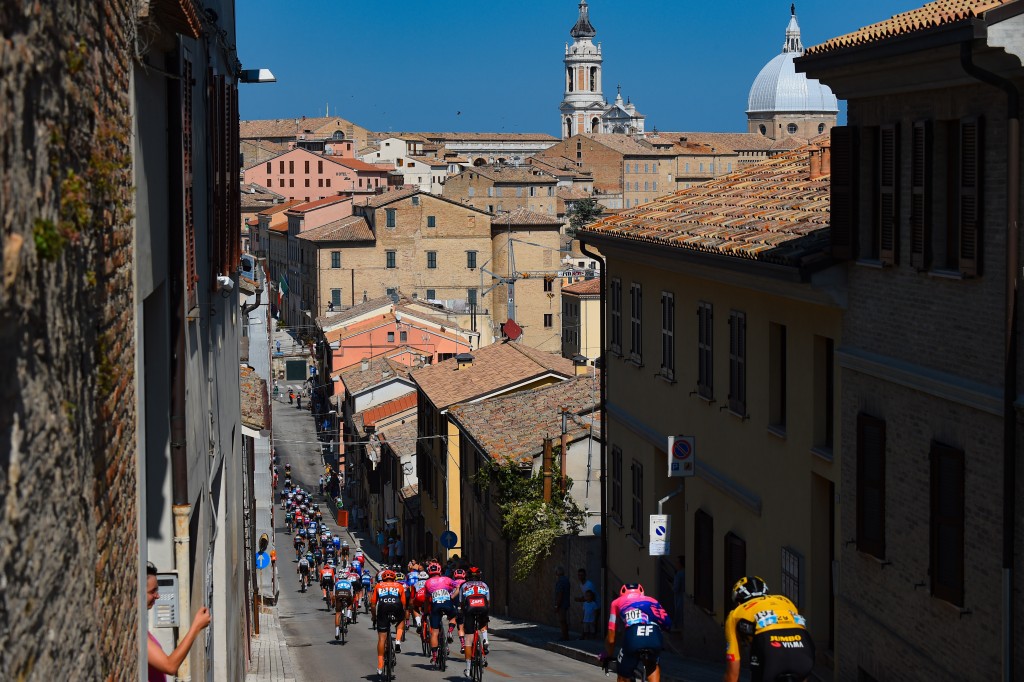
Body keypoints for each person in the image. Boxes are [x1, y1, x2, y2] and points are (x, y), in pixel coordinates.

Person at [724, 576, 814, 682]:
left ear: (738, 600)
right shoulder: (785, 601)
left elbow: (733, 672)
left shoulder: (735, 614)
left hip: (769, 649)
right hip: (803, 646)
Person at [146, 563, 211, 681]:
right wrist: (196, 627)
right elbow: (169, 666)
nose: (157, 596)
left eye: (157, 590)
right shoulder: (136, 633)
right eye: (152, 591)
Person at [600, 583, 672, 682]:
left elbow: (611, 635)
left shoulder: (616, 602)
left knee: (622, 675)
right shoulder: (652, 600)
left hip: (634, 635)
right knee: (652, 666)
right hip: (654, 634)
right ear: (642, 592)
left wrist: (608, 654)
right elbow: (666, 622)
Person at [371, 568, 408, 678]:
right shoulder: (399, 586)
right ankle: (397, 641)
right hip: (396, 605)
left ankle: (380, 665)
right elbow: (404, 604)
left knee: (382, 638)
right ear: (394, 578)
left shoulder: (378, 586)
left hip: (383, 607)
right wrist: (402, 613)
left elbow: (373, 604)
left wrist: (374, 617)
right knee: (401, 620)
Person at [458, 565, 491, 677]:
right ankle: (485, 640)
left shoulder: (464, 586)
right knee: (483, 623)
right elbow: (488, 602)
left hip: (470, 610)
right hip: (483, 607)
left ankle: (467, 669)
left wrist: (463, 614)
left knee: (468, 640)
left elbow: (462, 604)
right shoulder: (485, 585)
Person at [424, 561, 457, 665]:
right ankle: (450, 631)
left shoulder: (427, 583)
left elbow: (426, 600)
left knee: (434, 632)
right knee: (453, 616)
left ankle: (434, 657)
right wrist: (452, 597)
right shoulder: (447, 579)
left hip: (436, 605)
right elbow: (458, 587)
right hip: (447, 603)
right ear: (440, 571)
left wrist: (425, 613)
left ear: (429, 572)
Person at [574, 568, 596, 638]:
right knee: (586, 624)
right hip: (587, 605)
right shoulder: (581, 585)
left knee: (592, 625)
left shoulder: (589, 584)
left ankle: (591, 638)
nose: (580, 577)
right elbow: (585, 595)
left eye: (582, 575)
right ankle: (585, 636)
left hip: (594, 604)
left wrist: (580, 599)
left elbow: (591, 595)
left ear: (585, 575)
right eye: (579, 575)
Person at [554, 566, 570, 640]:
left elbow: (560, 594)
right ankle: (565, 635)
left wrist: (557, 605)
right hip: (565, 603)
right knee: (563, 620)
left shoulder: (560, 581)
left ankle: (565, 636)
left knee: (562, 620)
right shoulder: (566, 580)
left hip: (562, 604)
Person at [671, 556, 686, 625]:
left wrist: (672, 587)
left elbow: (676, 588)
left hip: (679, 597)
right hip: (685, 597)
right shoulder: (686, 573)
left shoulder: (679, 575)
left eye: (677, 562)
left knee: (679, 614)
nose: (676, 564)